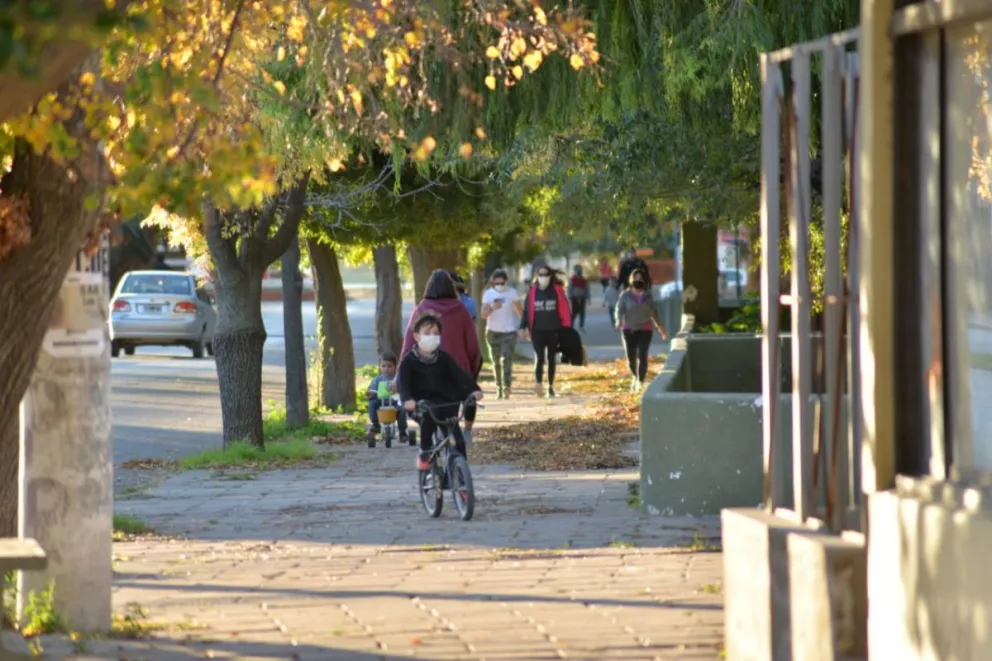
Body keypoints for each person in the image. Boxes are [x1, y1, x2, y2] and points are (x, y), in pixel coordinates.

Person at [401, 269, 482, 442]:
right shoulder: (460, 309)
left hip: (425, 370)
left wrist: (402, 373)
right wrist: (472, 369)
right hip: (456, 371)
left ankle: (429, 450)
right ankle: (456, 443)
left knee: (429, 412)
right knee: (451, 414)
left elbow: (408, 343)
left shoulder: (422, 309)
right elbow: (472, 344)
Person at [398, 315, 484, 469]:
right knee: (427, 417)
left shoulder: (444, 358)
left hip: (446, 403)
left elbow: (460, 375)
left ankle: (460, 475)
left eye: (436, 334)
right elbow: (403, 384)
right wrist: (407, 400)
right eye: (427, 333)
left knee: (458, 442)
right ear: (416, 336)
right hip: (421, 405)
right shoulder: (408, 361)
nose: (432, 337)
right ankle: (425, 451)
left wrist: (474, 389)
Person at [519, 265, 572, 398]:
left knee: (551, 358)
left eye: (546, 274)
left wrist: (566, 330)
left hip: (554, 330)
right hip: (537, 331)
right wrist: (522, 327)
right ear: (537, 276)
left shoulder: (557, 291)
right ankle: (538, 383)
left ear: (550, 276)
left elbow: (565, 310)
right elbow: (526, 311)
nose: (543, 277)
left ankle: (550, 386)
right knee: (539, 357)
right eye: (541, 275)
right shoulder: (532, 292)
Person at [615, 267, 669, 392]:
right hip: (628, 329)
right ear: (631, 280)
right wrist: (618, 320)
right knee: (631, 358)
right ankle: (635, 376)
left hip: (645, 329)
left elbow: (654, 314)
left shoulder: (648, 297)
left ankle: (640, 381)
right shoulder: (625, 295)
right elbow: (619, 309)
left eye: (640, 278)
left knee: (642, 356)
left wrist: (661, 329)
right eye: (635, 278)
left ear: (644, 281)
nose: (638, 281)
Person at [481, 268, 523, 399]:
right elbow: (483, 315)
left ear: (506, 282)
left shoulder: (512, 293)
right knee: (496, 362)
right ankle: (498, 388)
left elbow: (520, 311)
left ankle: (507, 386)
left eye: (502, 283)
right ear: (493, 282)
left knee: (506, 359)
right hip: (492, 332)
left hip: (509, 332)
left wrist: (524, 327)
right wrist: (492, 308)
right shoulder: (488, 294)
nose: (499, 285)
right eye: (497, 283)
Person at [364, 351, 409, 444]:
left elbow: (404, 389)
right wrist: (370, 394)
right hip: (381, 403)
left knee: (402, 409)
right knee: (372, 403)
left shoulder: (397, 379)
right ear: (380, 366)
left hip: (394, 403)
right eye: (383, 366)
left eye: (389, 366)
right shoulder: (377, 379)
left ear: (395, 367)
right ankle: (376, 425)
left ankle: (402, 431)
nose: (386, 369)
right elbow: (372, 390)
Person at [568, 265, 590, 332]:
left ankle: (581, 326)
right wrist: (569, 296)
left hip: (582, 297)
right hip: (574, 298)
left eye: (580, 269)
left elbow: (587, 289)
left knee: (582, 313)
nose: (579, 271)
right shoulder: (572, 279)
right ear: (575, 271)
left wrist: (588, 297)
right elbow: (570, 289)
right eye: (578, 270)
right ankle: (570, 326)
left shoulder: (584, 280)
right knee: (574, 312)